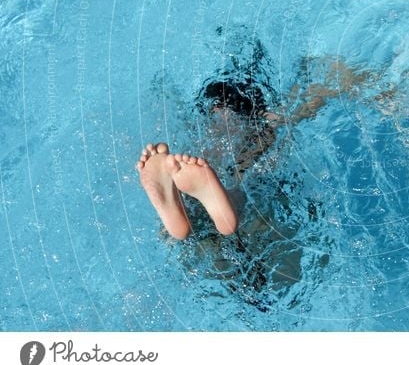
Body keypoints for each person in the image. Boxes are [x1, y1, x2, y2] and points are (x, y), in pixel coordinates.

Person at [136, 53, 371, 239]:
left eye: (227, 116)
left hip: (220, 195)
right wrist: (368, 85)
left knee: (232, 183)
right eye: (218, 118)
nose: (222, 126)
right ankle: (198, 208)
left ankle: (176, 225)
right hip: (242, 196)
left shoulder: (200, 140)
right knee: (244, 185)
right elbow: (310, 100)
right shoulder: (264, 126)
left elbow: (309, 101)